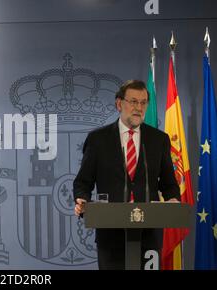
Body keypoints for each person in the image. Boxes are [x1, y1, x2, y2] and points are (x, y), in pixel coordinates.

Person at [73, 80, 180, 270]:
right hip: (110, 235)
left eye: (143, 102)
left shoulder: (158, 140)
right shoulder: (98, 139)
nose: (139, 108)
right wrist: (82, 199)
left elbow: (169, 184)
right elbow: (83, 181)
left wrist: (172, 200)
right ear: (119, 103)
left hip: (149, 233)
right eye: (133, 101)